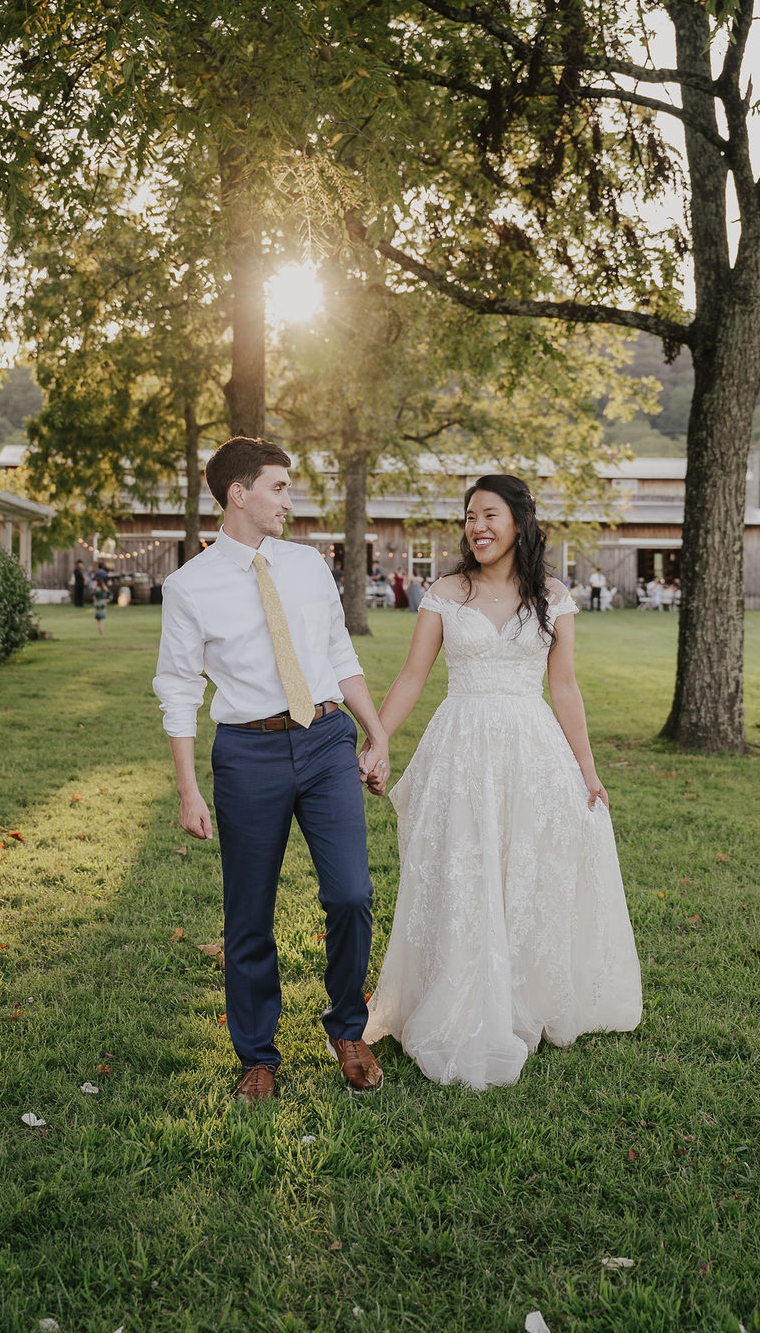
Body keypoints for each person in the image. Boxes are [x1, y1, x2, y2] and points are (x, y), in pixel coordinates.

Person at [364, 473, 643, 1090]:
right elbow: (412, 677)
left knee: (524, 869)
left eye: (489, 514)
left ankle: (520, 995)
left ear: (519, 521)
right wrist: (378, 739)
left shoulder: (552, 596)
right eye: (468, 517)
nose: (477, 527)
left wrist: (588, 771)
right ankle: (458, 994)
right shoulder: (445, 592)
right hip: (459, 747)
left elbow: (564, 687)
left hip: (530, 748)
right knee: (462, 869)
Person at [153, 437, 391, 1106]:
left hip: (324, 743)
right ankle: (257, 1056)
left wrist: (375, 734)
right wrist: (187, 789)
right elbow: (176, 690)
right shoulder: (188, 587)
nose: (291, 499)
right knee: (248, 916)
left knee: (351, 894)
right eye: (280, 487)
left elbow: (339, 651)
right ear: (240, 493)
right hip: (247, 753)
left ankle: (347, 1028)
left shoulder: (309, 567)